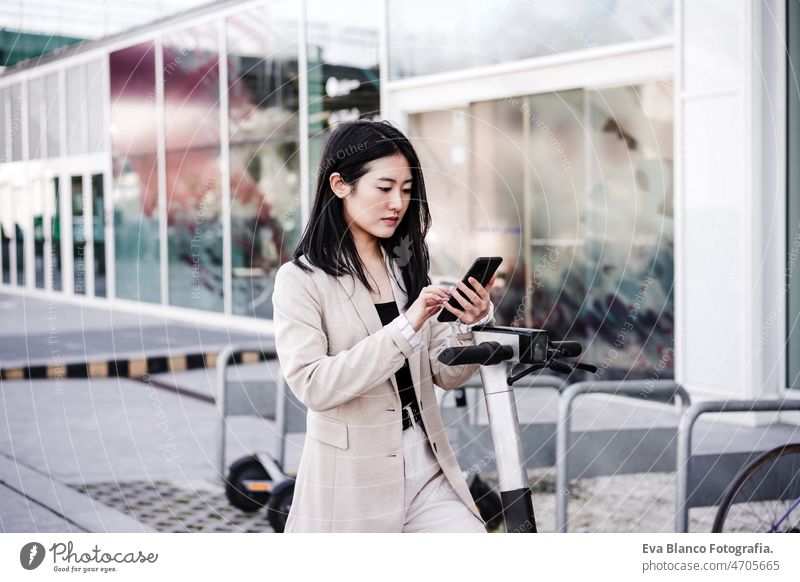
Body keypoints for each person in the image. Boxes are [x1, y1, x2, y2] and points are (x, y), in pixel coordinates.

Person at [271, 119, 497, 532]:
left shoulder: (406, 268)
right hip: (353, 477)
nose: (398, 203)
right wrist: (405, 327)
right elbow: (314, 385)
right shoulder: (300, 280)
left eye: (407, 191)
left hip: (426, 464)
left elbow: (445, 375)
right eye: (384, 188)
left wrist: (472, 323)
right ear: (340, 184)